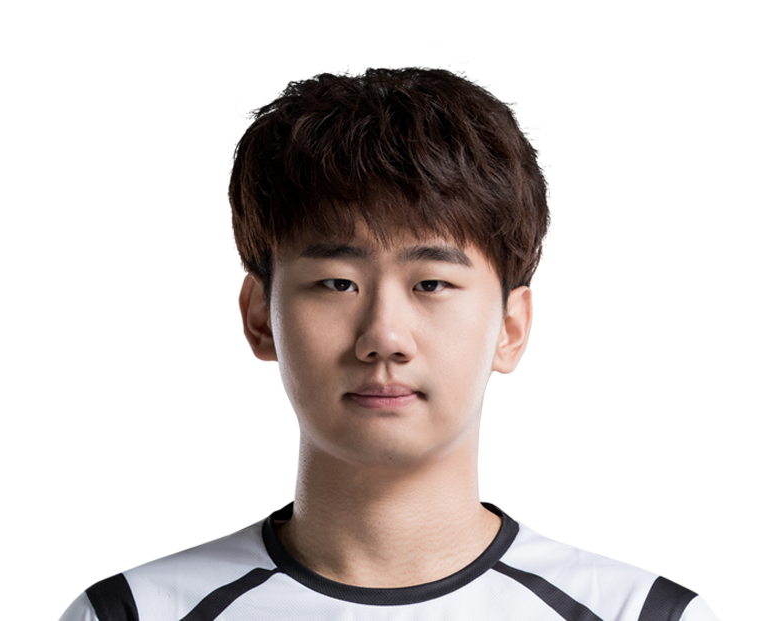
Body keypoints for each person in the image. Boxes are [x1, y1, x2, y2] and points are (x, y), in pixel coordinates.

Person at [62, 68, 718, 620]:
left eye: (431, 283)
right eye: (337, 282)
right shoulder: (136, 613)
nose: (383, 337)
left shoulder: (639, 614)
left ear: (511, 327)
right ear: (261, 318)